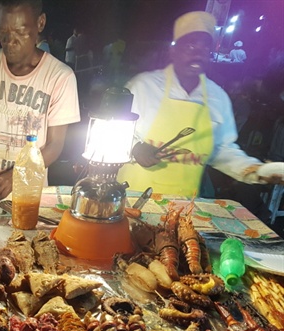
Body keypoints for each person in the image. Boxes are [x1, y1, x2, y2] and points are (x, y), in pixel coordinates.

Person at [117, 11, 283, 198]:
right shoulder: (143, 86)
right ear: (174, 51)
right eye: (190, 45)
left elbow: (221, 150)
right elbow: (112, 131)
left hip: (184, 206)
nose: (198, 53)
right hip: (133, 197)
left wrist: (258, 172)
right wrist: (135, 147)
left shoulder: (217, 97)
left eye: (205, 48)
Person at [0, 0, 80, 201]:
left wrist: (16, 175)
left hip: (29, 193)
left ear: (40, 23)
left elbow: (54, 145)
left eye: (20, 32)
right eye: (3, 31)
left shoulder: (60, 77)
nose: (9, 41)